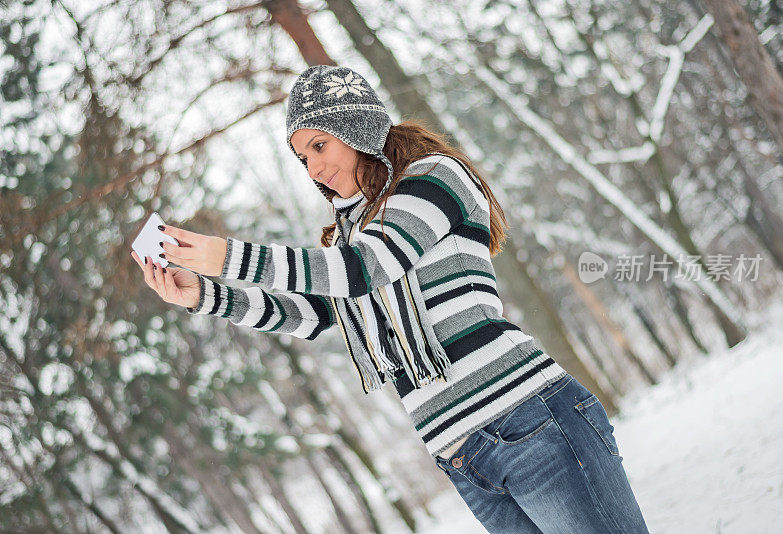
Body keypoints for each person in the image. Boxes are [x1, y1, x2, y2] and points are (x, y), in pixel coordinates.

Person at [131, 65, 649, 533]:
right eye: (300, 157)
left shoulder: (435, 181)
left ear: (352, 127)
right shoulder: (350, 234)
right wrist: (205, 294)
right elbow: (316, 314)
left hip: (529, 421)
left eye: (318, 146)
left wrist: (227, 256)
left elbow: (366, 269)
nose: (312, 169)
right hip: (462, 454)